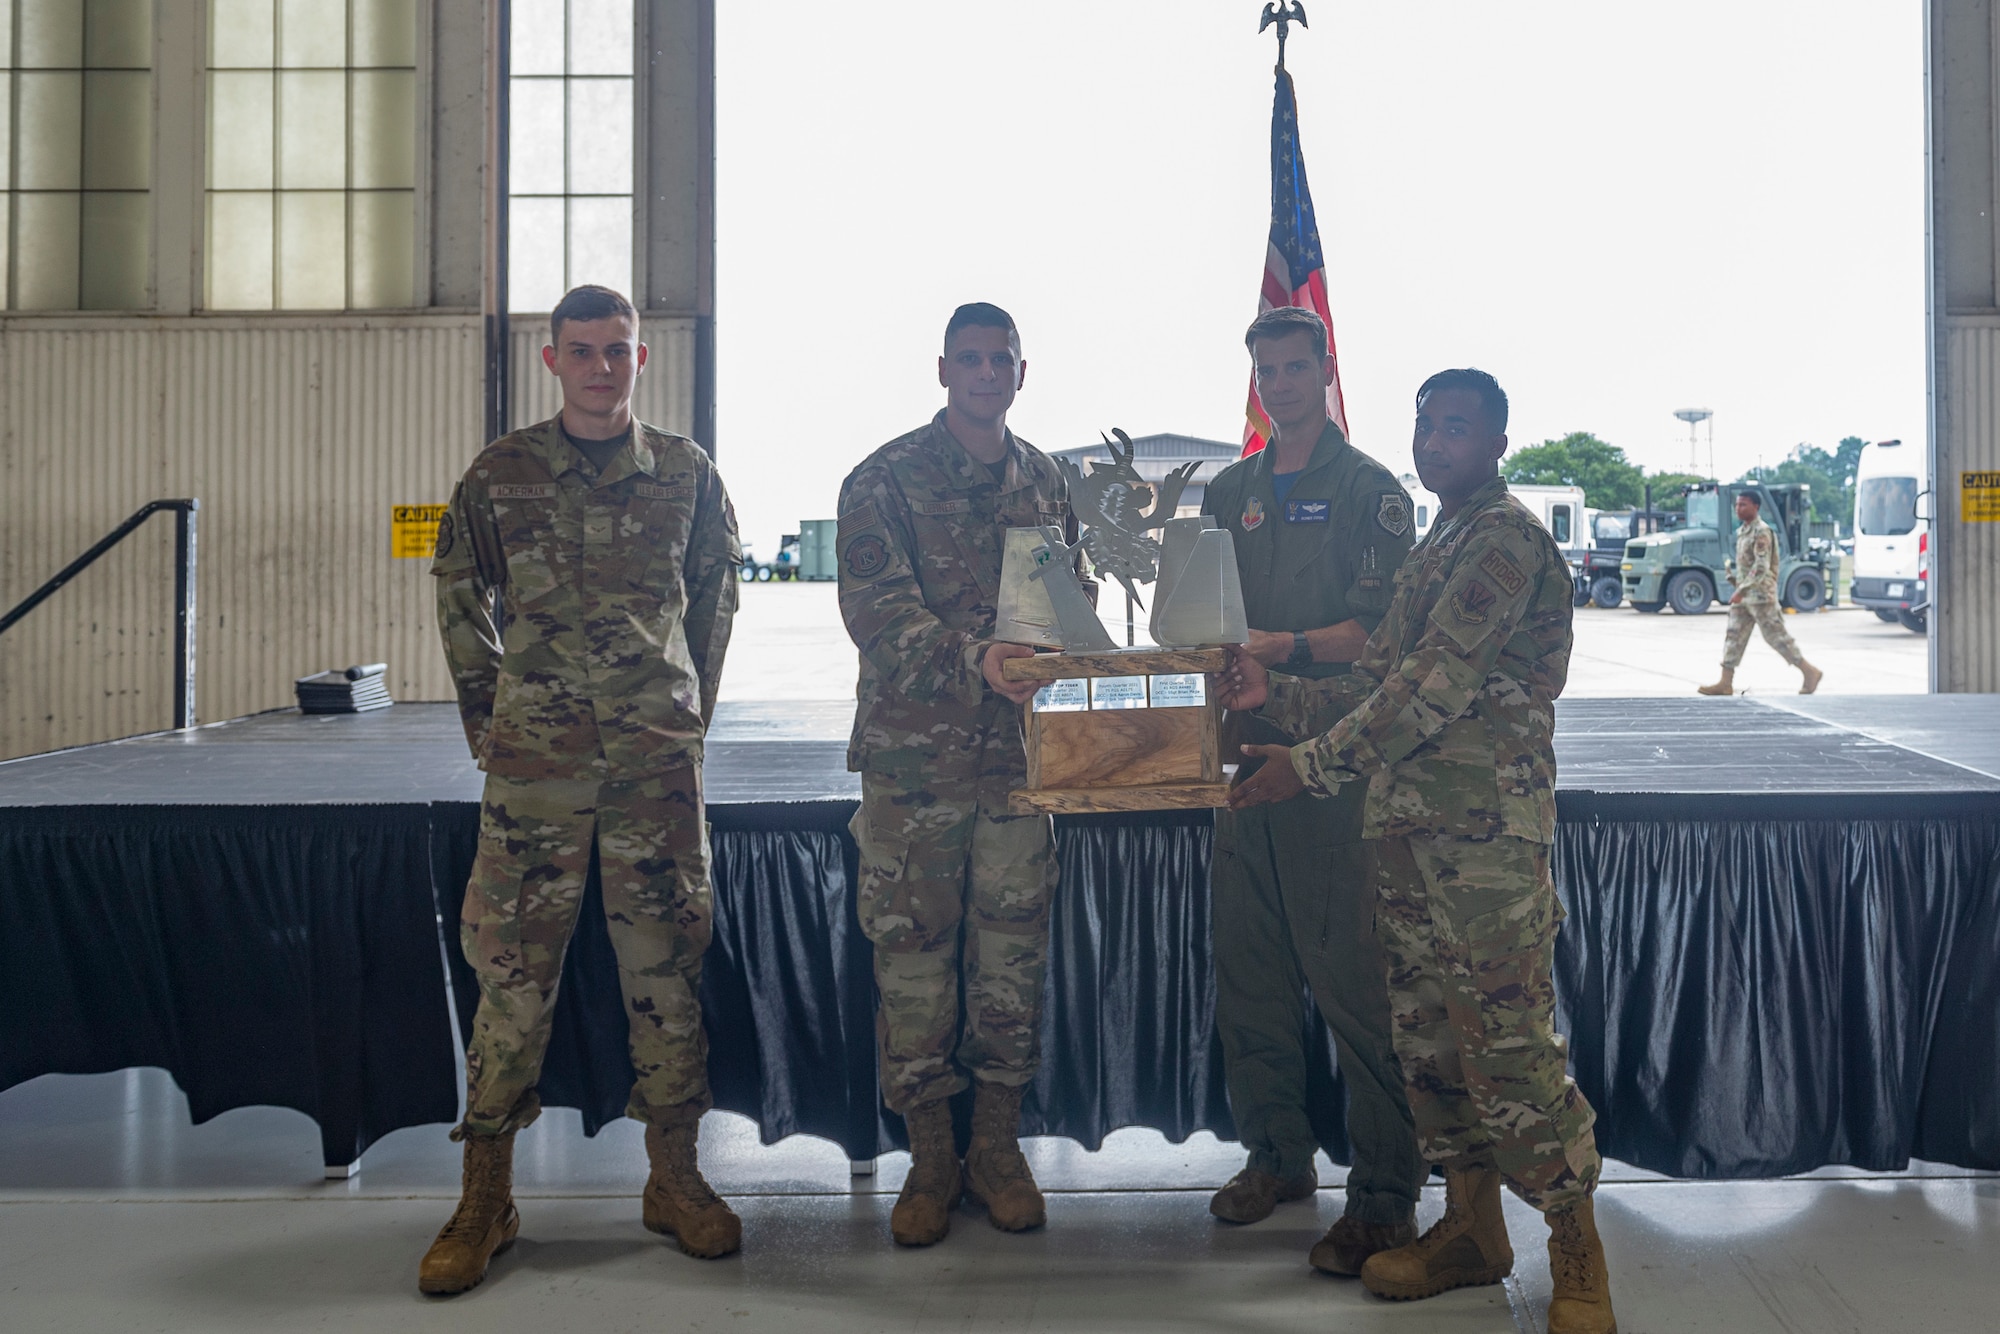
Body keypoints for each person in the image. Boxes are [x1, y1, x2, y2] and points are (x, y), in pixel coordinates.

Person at [1219, 369, 1617, 1334]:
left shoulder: (1506, 543)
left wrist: (1305, 764)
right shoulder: (1438, 542)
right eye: (1425, 425)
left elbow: (1431, 690)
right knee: (1433, 1050)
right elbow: (1381, 682)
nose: (1435, 443)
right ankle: (1472, 1231)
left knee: (1511, 1048)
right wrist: (1275, 708)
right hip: (1407, 840)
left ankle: (1578, 1253)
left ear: (1496, 445)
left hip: (1482, 846)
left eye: (1458, 429)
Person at [422, 284, 743, 1294]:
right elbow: (457, 591)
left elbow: (716, 599)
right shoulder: (501, 474)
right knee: (511, 976)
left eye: (618, 349)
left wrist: (684, 713)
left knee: (666, 967)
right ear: (552, 359)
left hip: (653, 768)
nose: (602, 365)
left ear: (640, 360)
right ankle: (485, 1193)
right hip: (536, 773)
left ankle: (674, 1176)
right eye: (582, 350)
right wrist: (492, 717)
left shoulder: (686, 474)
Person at [836, 302, 1091, 1248]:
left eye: (1003, 361)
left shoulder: (1050, 482)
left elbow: (1075, 598)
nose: (987, 374)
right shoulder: (885, 479)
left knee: (1011, 964)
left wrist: (1070, 650)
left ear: (1023, 374)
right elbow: (877, 612)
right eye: (971, 360)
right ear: (942, 370)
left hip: (1021, 772)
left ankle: (996, 1148)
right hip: (917, 771)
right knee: (912, 966)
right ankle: (931, 1159)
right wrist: (976, 658)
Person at [1199, 307, 1426, 1276]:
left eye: (1295, 367)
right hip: (1239, 760)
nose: (1279, 383)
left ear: (1324, 372)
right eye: (1266, 369)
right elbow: (1199, 616)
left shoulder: (1369, 491)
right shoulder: (1229, 488)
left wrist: (1281, 646)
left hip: (1331, 764)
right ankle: (1275, 1156)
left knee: (1351, 986)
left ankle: (1381, 1191)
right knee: (1247, 974)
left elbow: (1379, 636)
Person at [1698, 490, 1822, 695]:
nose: (1738, 509)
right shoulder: (1743, 531)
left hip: (1761, 595)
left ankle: (1809, 672)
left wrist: (1742, 589)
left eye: (1743, 505)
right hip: (1744, 595)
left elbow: (1761, 566)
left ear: (1756, 507)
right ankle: (1725, 682)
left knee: (1776, 637)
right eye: (1737, 505)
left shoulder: (1762, 532)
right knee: (1734, 635)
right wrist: (1735, 581)